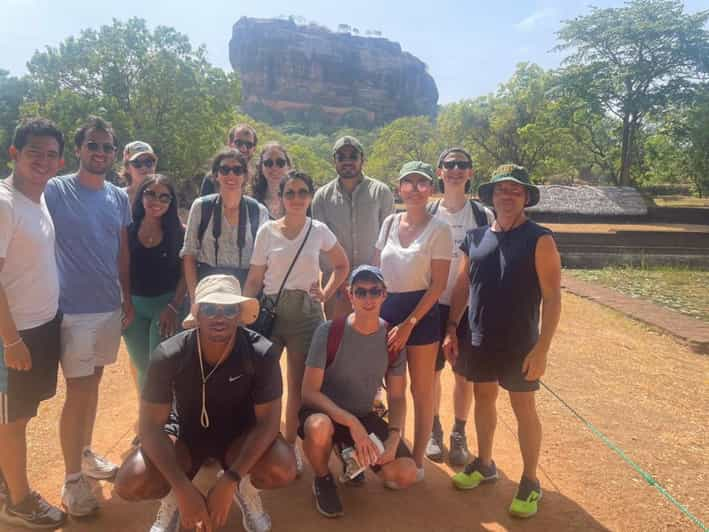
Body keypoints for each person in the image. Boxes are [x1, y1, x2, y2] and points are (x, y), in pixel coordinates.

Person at [115, 274, 296, 532]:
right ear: (197, 314)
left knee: (283, 467)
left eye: (228, 309)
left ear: (239, 314)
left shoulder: (261, 353)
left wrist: (231, 479)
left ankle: (244, 489)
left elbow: (268, 423)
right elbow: (149, 428)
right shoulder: (169, 355)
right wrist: (182, 489)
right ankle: (171, 501)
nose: (219, 317)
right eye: (210, 308)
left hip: (239, 438)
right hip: (186, 438)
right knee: (130, 482)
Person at [443, 164, 561, 518]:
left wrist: (542, 348)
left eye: (515, 190)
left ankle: (529, 480)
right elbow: (464, 285)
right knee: (483, 398)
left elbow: (553, 297)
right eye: (501, 190)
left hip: (521, 341)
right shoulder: (476, 238)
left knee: (523, 408)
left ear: (525, 197)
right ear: (491, 196)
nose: (507, 196)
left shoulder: (540, 238)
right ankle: (485, 462)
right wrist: (452, 326)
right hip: (478, 337)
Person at [43, 115, 133, 517]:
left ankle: (85, 453)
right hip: (73, 310)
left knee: (93, 385)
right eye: (93, 145)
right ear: (78, 150)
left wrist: (126, 296)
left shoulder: (118, 197)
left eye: (107, 147)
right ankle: (72, 480)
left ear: (115, 154)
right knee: (78, 391)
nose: (100, 152)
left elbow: (122, 250)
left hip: (108, 307)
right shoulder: (56, 190)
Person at [244, 171, 349, 474]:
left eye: (302, 192)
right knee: (262, 382)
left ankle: (290, 446)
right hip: (271, 313)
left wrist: (326, 292)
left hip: (307, 315)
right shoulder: (267, 231)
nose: (296, 198)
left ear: (310, 196)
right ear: (280, 197)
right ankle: (261, 442)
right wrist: (243, 317)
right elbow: (254, 278)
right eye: (289, 193)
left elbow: (342, 265)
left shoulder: (318, 230)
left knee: (298, 386)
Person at [300, 265, 417, 518]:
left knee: (406, 473)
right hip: (326, 412)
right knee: (319, 428)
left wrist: (394, 437)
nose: (368, 298)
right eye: (360, 292)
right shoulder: (329, 331)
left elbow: (397, 396)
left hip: (363, 414)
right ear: (349, 295)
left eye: (375, 291)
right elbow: (308, 392)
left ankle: (350, 455)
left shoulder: (392, 338)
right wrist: (351, 422)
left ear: (384, 294)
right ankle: (322, 478)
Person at [0, 118, 67, 528]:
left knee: (19, 414)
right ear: (14, 154)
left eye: (50, 155)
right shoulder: (5, 203)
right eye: (33, 153)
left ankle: (7, 485)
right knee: (12, 421)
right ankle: (19, 504)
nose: (43, 161)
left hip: (39, 326)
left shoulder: (35, 198)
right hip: (15, 333)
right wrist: (10, 340)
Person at [374, 161, 452, 477]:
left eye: (422, 183)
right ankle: (393, 449)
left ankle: (417, 460)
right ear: (399, 188)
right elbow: (376, 269)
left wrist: (409, 323)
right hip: (386, 310)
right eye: (409, 183)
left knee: (421, 391)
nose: (415, 189)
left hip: (420, 314)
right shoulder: (390, 222)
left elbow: (438, 285)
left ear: (430, 189)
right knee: (390, 386)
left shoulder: (440, 229)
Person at [425, 148, 494, 466]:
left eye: (461, 165)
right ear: (439, 171)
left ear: (470, 172)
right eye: (449, 165)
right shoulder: (428, 213)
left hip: (468, 307)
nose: (455, 170)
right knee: (432, 372)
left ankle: (459, 432)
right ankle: (434, 429)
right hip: (432, 303)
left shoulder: (483, 216)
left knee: (463, 374)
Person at [311, 136, 394, 320]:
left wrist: (371, 278)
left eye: (353, 156)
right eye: (341, 157)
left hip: (372, 286)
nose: (347, 161)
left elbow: (388, 238)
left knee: (371, 337)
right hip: (336, 287)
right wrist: (339, 278)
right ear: (334, 161)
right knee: (337, 338)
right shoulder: (322, 197)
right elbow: (320, 245)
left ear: (362, 159)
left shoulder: (381, 192)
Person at [182, 148, 269, 306]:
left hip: (244, 288)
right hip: (207, 288)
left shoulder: (258, 211)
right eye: (224, 169)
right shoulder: (202, 207)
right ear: (216, 175)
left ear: (245, 176)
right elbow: (189, 256)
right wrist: (195, 299)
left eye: (237, 170)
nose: (231, 175)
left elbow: (261, 264)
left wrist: (244, 303)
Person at [123, 175, 186, 390]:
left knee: (159, 367)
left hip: (165, 306)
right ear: (141, 195)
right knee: (142, 365)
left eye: (164, 197)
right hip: (133, 307)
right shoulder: (128, 230)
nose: (156, 201)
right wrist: (126, 304)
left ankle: (163, 419)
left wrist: (174, 306)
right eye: (150, 193)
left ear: (171, 202)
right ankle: (148, 415)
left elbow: (186, 273)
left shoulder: (179, 233)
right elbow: (121, 269)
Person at [199, 124, 258, 197]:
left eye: (249, 145)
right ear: (229, 144)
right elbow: (205, 207)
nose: (244, 148)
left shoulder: (257, 180)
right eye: (239, 143)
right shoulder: (213, 177)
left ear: (254, 149)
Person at [250, 142, 291, 219]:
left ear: (288, 166)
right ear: (261, 168)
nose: (274, 168)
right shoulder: (252, 203)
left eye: (280, 162)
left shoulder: (299, 200)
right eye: (268, 163)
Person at [122, 141, 158, 206]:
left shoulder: (163, 196)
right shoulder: (117, 197)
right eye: (137, 163)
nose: (144, 167)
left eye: (148, 162)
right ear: (127, 167)